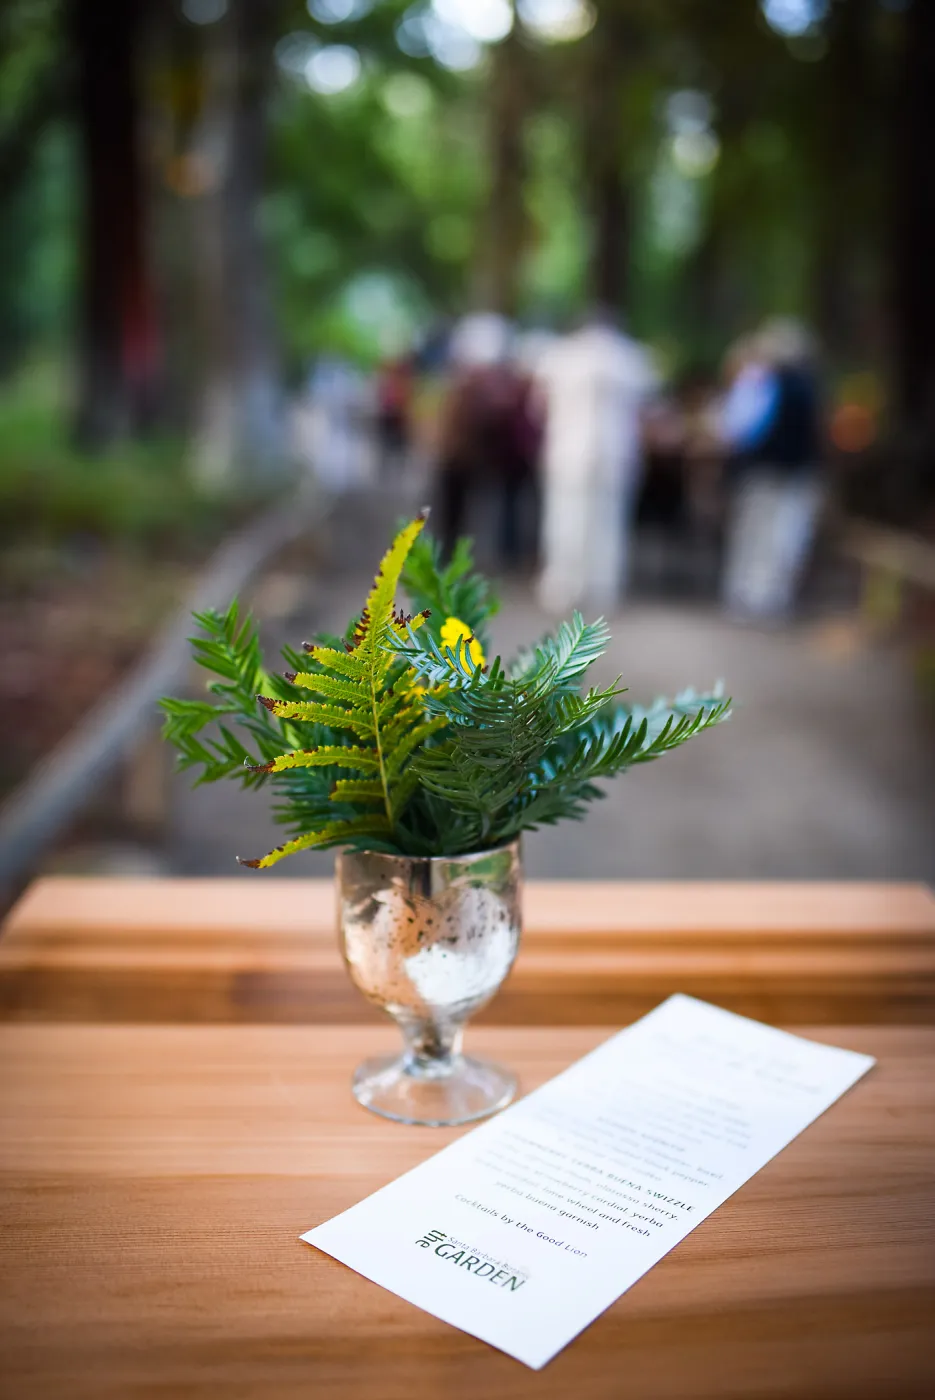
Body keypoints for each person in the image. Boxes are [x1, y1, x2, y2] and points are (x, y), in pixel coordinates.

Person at [534, 309, 658, 614]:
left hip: (569, 452)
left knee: (565, 519)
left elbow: (538, 407)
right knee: (608, 523)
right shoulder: (631, 358)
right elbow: (649, 411)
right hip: (614, 454)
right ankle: (602, 587)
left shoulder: (560, 356)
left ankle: (563, 584)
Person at [720, 320, 824, 621]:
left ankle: (750, 594)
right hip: (792, 473)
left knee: (758, 533)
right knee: (783, 536)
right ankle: (767, 597)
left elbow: (740, 428)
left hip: (763, 471)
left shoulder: (762, 382)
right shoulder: (807, 386)